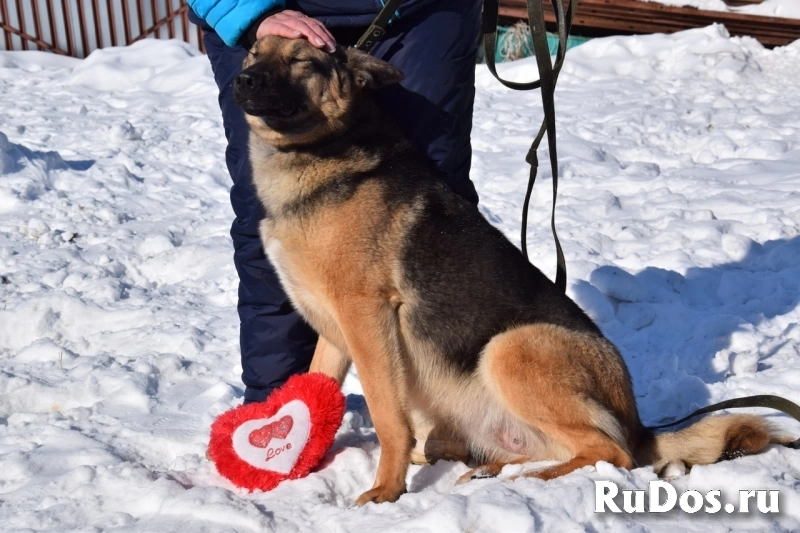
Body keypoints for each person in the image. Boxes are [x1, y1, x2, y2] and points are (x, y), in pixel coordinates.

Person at [187, 1, 482, 408]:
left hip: (420, 12)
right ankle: (278, 412)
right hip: (263, 10)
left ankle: (455, 400)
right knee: (271, 212)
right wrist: (247, 14)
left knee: (436, 202)